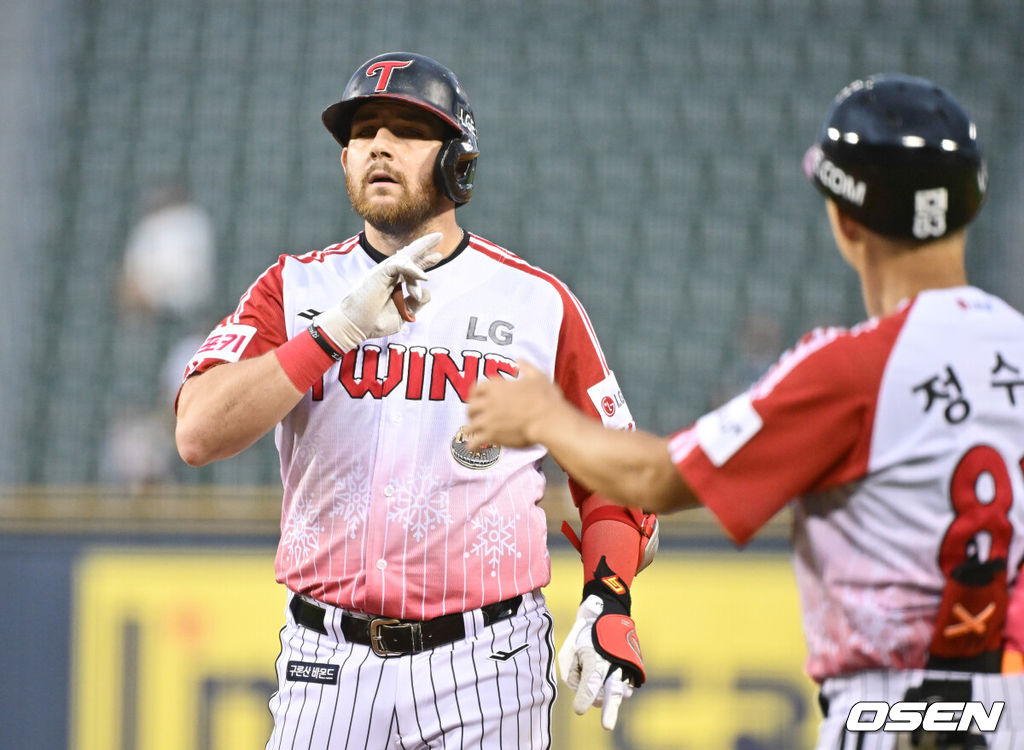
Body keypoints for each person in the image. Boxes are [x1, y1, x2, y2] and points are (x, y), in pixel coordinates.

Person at [466, 73, 1024, 749]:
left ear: (845, 220)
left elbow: (660, 480)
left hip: (895, 708)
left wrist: (545, 418)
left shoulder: (853, 370)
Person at [174, 51, 657, 748]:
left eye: (405, 129)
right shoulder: (296, 289)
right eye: (363, 131)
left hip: (487, 663)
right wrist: (334, 332)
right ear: (344, 161)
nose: (378, 145)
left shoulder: (536, 301)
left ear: (459, 161)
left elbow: (615, 475)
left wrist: (608, 599)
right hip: (325, 662)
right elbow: (196, 434)